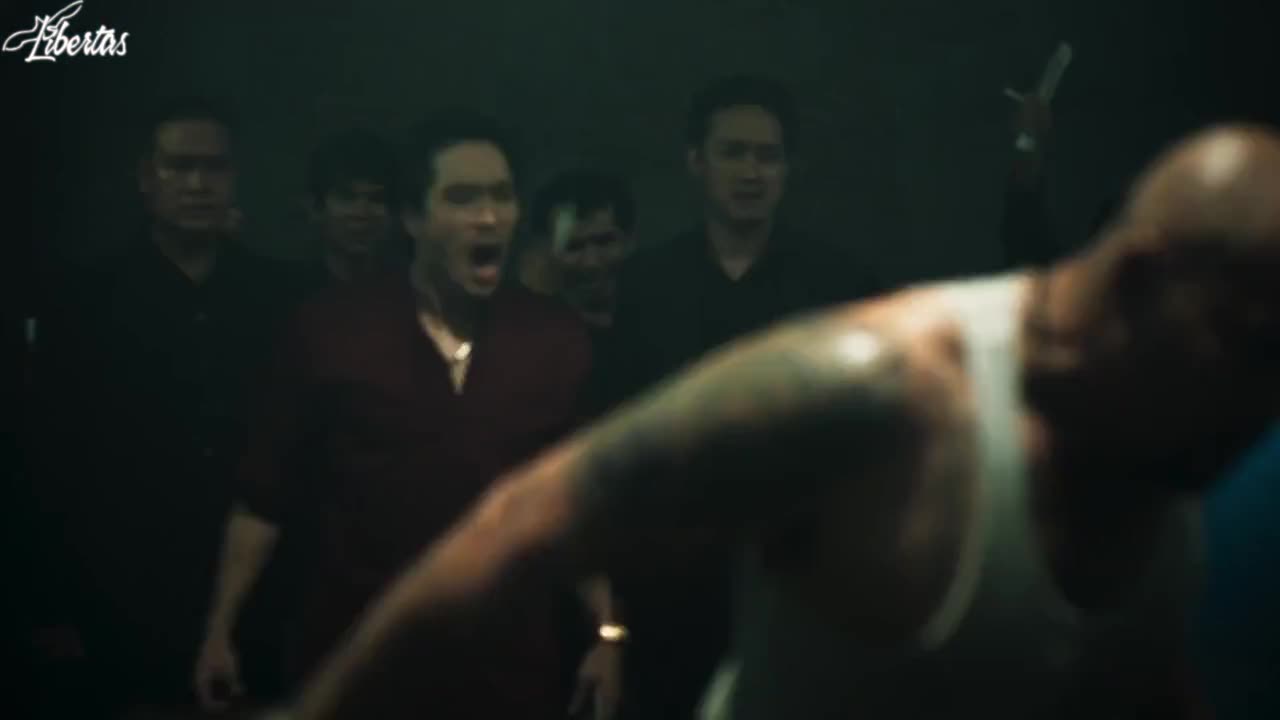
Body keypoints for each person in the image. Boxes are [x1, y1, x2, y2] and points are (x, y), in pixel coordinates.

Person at [288, 123, 1280, 720]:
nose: (1261, 405)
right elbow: (525, 523)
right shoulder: (880, 385)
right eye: (1254, 346)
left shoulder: (1171, 448)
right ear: (1140, 283)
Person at [193, 110, 620, 719]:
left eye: (501, 196)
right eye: (463, 198)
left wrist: (607, 634)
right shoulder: (332, 330)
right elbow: (263, 499)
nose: (488, 216)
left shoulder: (554, 339)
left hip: (508, 668)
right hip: (358, 661)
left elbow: (581, 504)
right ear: (414, 218)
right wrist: (220, 631)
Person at [598, 74, 884, 718]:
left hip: (800, 589)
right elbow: (614, 447)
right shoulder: (645, 287)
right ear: (695, 162)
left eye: (767, 155)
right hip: (673, 592)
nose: (751, 171)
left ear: (788, 168)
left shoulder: (836, 283)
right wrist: (611, 625)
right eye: (733, 152)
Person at [26, 98, 303, 717]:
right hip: (123, 592)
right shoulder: (83, 301)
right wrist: (49, 604)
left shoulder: (282, 297)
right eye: (180, 166)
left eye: (214, 167)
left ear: (235, 176)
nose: (198, 183)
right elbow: (46, 456)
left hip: (257, 594)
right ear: (146, 177)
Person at [298, 128, 401, 290]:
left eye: (377, 199)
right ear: (314, 208)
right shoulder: (287, 294)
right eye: (346, 197)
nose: (361, 213)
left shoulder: (422, 293)